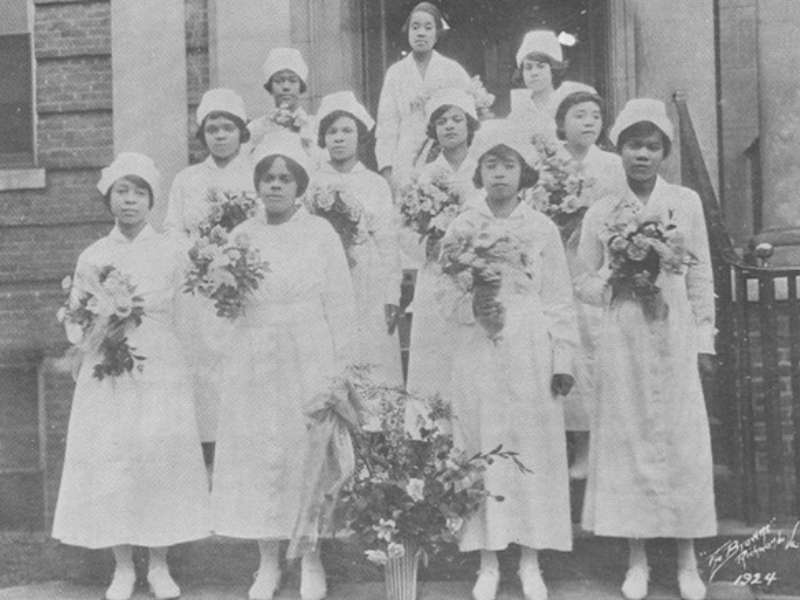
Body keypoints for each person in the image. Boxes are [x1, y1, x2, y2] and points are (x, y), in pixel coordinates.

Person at [52, 153, 210, 600]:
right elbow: (74, 319)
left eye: (139, 192)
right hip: (109, 367)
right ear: (109, 198)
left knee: (159, 457)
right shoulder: (95, 255)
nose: (130, 201)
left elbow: (188, 315)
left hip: (158, 363)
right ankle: (122, 566)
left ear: (151, 201)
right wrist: (94, 323)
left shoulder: (171, 251)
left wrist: (185, 367)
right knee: (115, 458)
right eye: (122, 191)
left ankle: (159, 563)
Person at [577, 99, 716, 600]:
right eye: (634, 145)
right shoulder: (602, 211)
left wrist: (704, 338)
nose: (642, 154)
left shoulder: (686, 202)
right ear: (619, 150)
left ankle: (686, 556)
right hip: (625, 333)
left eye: (651, 146)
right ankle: (636, 557)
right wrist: (616, 276)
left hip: (673, 331)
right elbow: (583, 285)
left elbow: (700, 272)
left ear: (664, 152)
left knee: (680, 439)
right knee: (630, 438)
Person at [211, 134, 356, 600]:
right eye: (267, 178)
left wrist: (338, 369)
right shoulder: (240, 237)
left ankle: (310, 557)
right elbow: (225, 308)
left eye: (284, 178)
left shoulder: (320, 234)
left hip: (307, 354)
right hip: (254, 356)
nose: (275, 186)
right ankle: (268, 561)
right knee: (259, 455)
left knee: (305, 454)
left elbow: (340, 303)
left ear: (299, 186)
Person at [437, 121, 578, 600]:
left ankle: (530, 558)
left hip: (529, 343)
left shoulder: (541, 228)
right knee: (482, 440)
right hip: (477, 342)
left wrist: (563, 359)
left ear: (525, 173)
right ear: (479, 171)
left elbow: (558, 298)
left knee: (530, 446)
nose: (500, 174)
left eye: (509, 165)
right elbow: (443, 295)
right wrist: (473, 305)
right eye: (491, 165)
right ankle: (487, 558)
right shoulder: (463, 226)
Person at [164, 87, 255, 453]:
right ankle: (208, 449)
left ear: (241, 132)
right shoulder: (187, 180)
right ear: (202, 135)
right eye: (212, 128)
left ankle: (244, 444)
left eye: (227, 128)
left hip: (243, 284)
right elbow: (173, 230)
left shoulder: (255, 175)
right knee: (203, 367)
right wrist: (200, 255)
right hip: (200, 290)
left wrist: (236, 258)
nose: (220, 135)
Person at [553, 90, 626, 479]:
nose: (588, 122)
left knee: (602, 352)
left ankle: (608, 449)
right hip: (562, 267)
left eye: (596, 116)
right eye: (579, 115)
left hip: (600, 266)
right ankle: (579, 449)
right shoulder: (549, 163)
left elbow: (624, 212)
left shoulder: (614, 164)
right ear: (561, 121)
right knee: (571, 353)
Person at [311, 90, 403, 386]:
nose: (338, 138)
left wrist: (392, 293)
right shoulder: (313, 181)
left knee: (372, 350)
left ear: (360, 136)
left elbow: (388, 242)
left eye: (346, 131)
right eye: (332, 132)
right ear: (323, 139)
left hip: (367, 277)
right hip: (325, 275)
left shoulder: (374, 183)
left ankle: (376, 425)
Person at [405, 88, 480, 403]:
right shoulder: (425, 176)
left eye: (456, 119)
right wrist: (430, 245)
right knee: (435, 352)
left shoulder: (482, 168)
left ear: (470, 125)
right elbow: (407, 231)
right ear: (433, 130)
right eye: (441, 121)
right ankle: (432, 433)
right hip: (437, 271)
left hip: (476, 271)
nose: (449, 127)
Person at [375, 1, 471, 190]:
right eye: (415, 27)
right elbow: (386, 125)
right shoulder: (396, 73)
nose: (421, 33)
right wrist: (387, 171)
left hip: (445, 156)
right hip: (405, 159)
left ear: (437, 33)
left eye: (428, 28)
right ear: (408, 31)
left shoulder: (452, 69)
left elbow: (470, 116)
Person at [508, 29, 596, 141]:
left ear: (553, 69)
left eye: (541, 66)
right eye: (528, 67)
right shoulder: (519, 108)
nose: (534, 73)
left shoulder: (569, 101)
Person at [248, 47, 315, 156]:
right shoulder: (256, 128)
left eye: (293, 81)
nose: (286, 87)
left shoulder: (313, 126)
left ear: (300, 86)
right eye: (278, 81)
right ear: (270, 87)